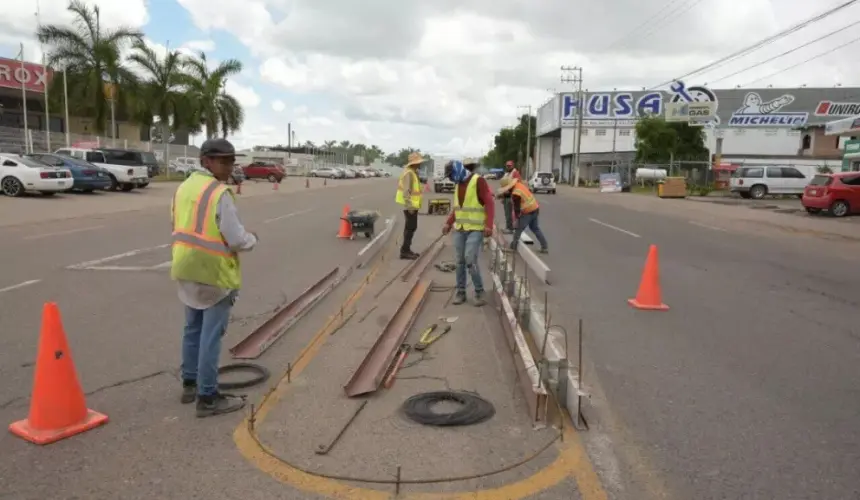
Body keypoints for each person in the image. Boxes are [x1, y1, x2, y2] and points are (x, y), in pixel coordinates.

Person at [171, 138, 258, 418]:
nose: (229, 166)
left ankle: (190, 383)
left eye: (232, 161)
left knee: (192, 328)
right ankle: (207, 396)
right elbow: (235, 239)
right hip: (213, 271)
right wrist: (252, 239)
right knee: (210, 336)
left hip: (185, 265)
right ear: (205, 161)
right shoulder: (219, 193)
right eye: (223, 161)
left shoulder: (184, 188)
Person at [442, 158, 495, 306]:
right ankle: (461, 292)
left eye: (451, 175)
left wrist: (489, 225)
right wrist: (448, 222)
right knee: (460, 261)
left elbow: (489, 203)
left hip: (476, 229)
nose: (451, 179)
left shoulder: (478, 181)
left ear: (458, 170)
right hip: (460, 228)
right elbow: (458, 207)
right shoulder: (458, 185)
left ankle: (479, 291)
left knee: (470, 259)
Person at [498, 176, 548, 254]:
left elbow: (517, 209)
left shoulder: (515, 194)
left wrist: (517, 219)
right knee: (535, 228)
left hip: (527, 211)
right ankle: (544, 247)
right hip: (535, 208)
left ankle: (513, 247)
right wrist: (502, 195)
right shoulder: (519, 185)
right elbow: (511, 194)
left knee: (518, 229)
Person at [396, 152, 424, 260]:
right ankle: (404, 251)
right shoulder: (409, 173)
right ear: (414, 163)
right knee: (410, 228)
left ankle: (406, 250)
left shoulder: (412, 172)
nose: (420, 164)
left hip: (412, 206)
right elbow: (406, 192)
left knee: (411, 227)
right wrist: (410, 206)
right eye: (419, 162)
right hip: (410, 207)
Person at [498, 160, 521, 234]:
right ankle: (509, 227)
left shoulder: (515, 173)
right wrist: (502, 196)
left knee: (510, 213)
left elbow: (517, 184)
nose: (508, 167)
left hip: (511, 196)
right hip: (505, 196)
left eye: (510, 165)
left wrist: (512, 196)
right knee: (507, 213)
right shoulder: (507, 173)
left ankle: (510, 228)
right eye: (507, 165)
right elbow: (503, 185)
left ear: (513, 165)